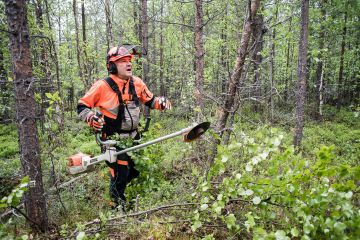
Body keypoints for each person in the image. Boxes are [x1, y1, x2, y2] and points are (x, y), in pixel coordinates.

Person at [77, 44, 171, 210]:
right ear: (112, 66)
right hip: (112, 140)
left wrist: (161, 103)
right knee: (121, 173)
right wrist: (91, 117)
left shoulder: (137, 83)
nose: (128, 64)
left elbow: (151, 100)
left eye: (129, 60)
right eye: (122, 61)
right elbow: (82, 106)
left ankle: (118, 188)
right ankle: (117, 207)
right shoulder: (102, 86)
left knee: (135, 170)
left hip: (134, 137)